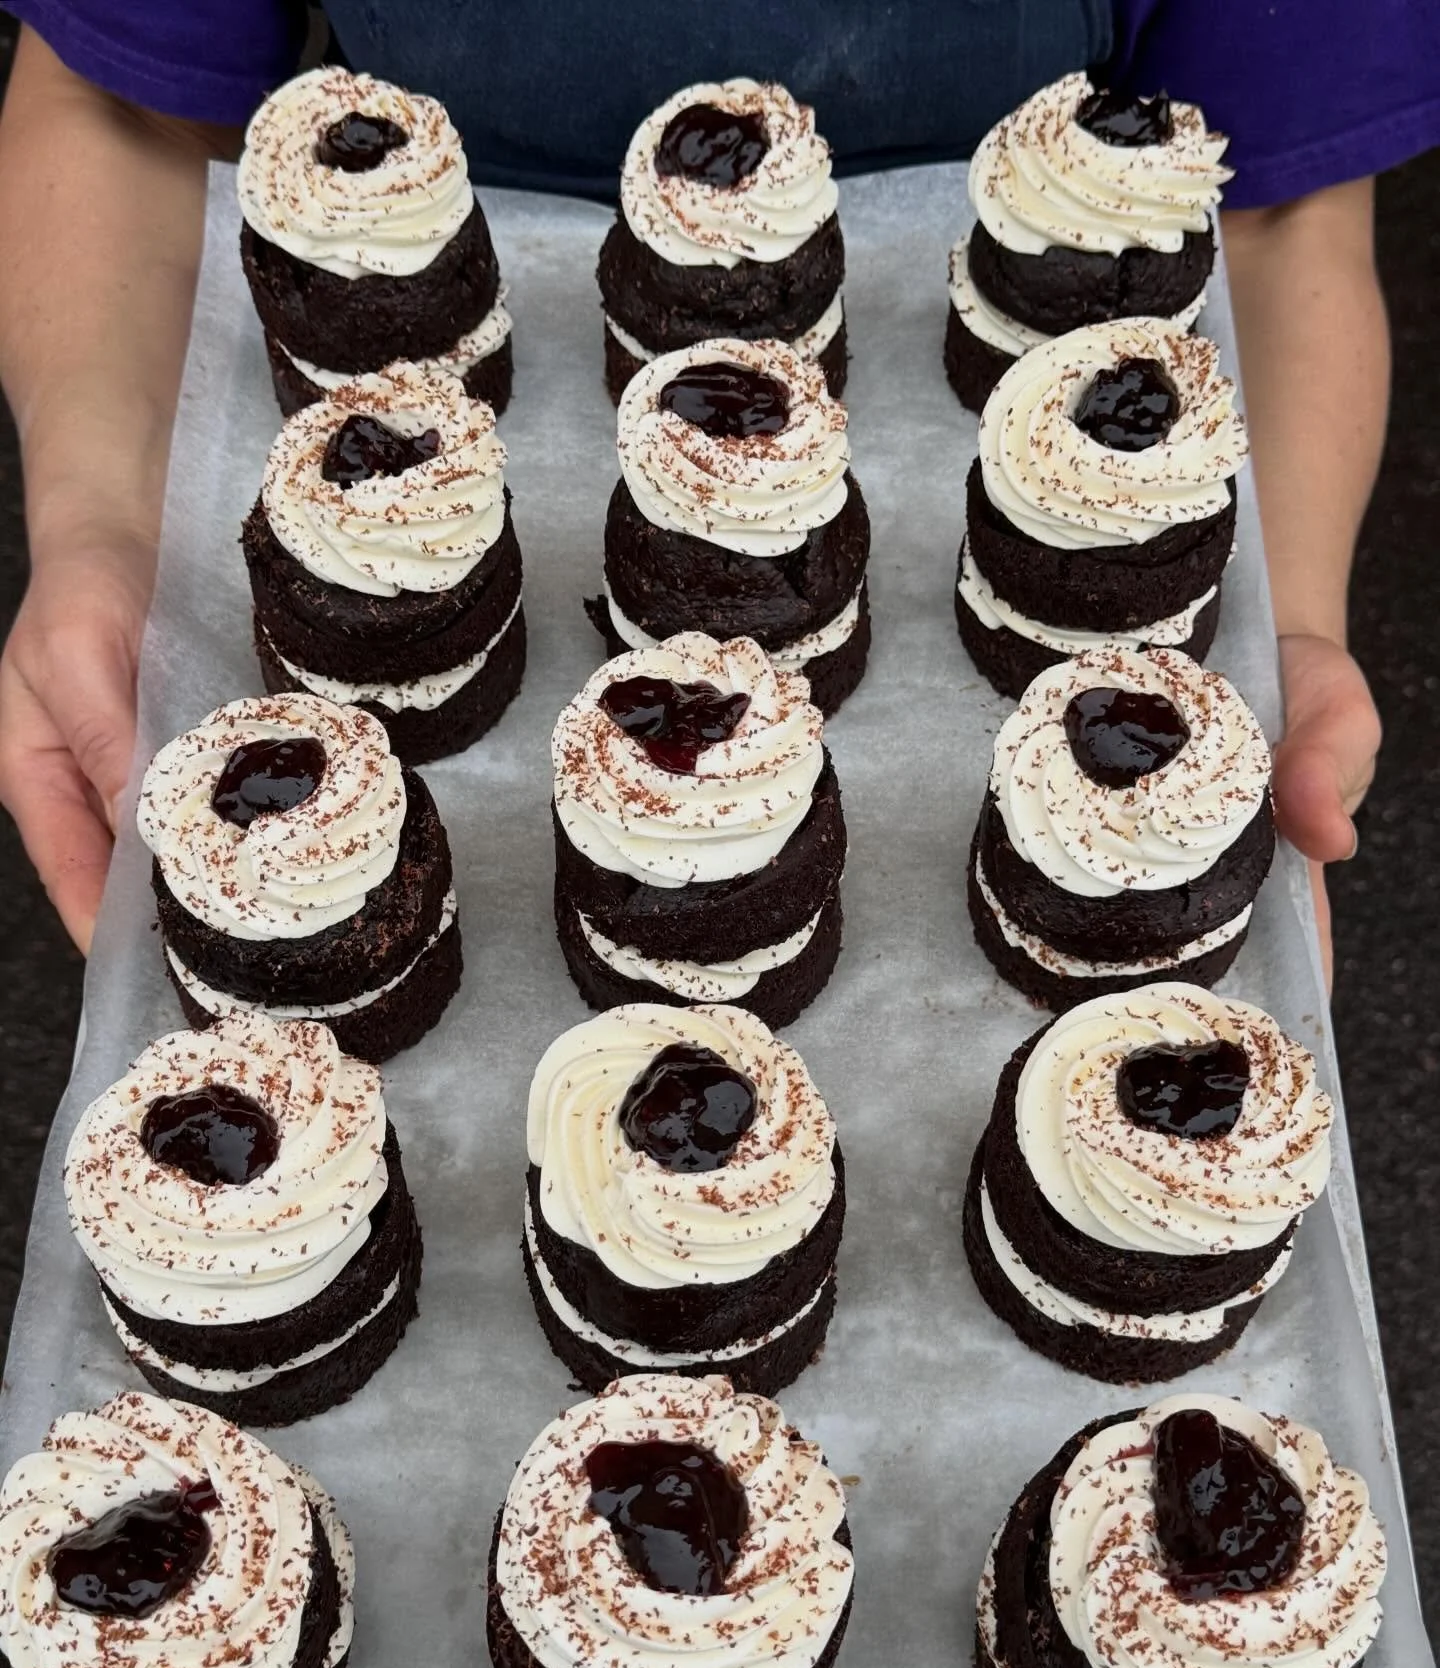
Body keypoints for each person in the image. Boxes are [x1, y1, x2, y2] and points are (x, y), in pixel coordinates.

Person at [0, 1, 1436, 968]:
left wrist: (1279, 616)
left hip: (1042, 269)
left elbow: (1282, 206)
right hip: (448, 255)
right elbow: (117, 101)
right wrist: (97, 522)